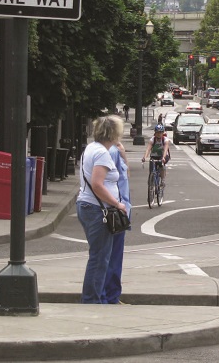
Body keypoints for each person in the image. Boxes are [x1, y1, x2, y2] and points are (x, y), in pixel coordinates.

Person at [77, 115, 127, 304]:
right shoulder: (102, 154)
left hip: (88, 206)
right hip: (98, 209)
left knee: (98, 256)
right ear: (114, 134)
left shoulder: (90, 148)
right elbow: (97, 184)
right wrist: (117, 203)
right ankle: (92, 300)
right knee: (100, 258)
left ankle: (92, 298)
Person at [103, 141, 131, 304]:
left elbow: (125, 175)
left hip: (121, 207)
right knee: (111, 257)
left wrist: (124, 155)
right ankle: (109, 297)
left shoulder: (116, 150)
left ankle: (112, 296)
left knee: (113, 256)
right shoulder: (111, 151)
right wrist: (119, 205)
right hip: (116, 210)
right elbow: (112, 180)